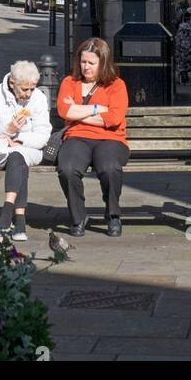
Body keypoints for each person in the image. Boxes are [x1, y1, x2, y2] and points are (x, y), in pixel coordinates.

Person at [56, 38, 130, 237]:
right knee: (67, 169)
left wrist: (78, 112)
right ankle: (78, 217)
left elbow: (114, 118)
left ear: (103, 63)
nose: (85, 67)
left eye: (91, 63)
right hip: (76, 137)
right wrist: (97, 110)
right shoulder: (69, 82)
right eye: (83, 62)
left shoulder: (116, 85)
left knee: (109, 168)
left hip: (110, 139)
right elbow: (64, 111)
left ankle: (113, 215)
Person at [0, 60, 51, 243]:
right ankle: (19, 222)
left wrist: (20, 140)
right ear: (12, 83)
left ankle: (6, 214)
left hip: (31, 148)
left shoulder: (38, 98)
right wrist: (7, 130)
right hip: (0, 149)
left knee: (18, 156)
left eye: (32, 89)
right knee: (18, 161)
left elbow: (43, 135)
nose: (29, 94)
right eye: (25, 89)